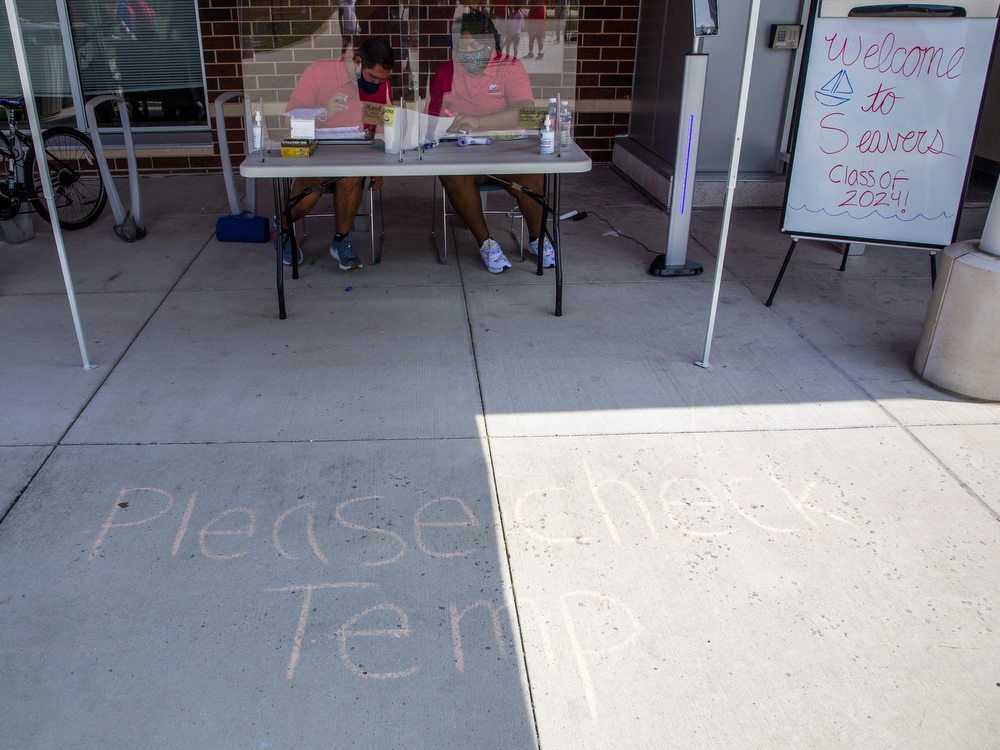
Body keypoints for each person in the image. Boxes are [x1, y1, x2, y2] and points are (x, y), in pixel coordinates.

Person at [428, 11, 554, 274]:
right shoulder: (445, 72)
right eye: (462, 47)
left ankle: (537, 239)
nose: (467, 53)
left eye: (475, 46)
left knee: (533, 176)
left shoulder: (509, 67)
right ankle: (486, 243)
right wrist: (442, 125)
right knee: (454, 176)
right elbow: (432, 119)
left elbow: (524, 111)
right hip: (463, 155)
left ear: (490, 45)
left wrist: (478, 120)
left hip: (507, 153)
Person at [280, 36, 394, 270]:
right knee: (305, 200)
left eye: (382, 79)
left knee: (351, 178)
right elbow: (290, 116)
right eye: (373, 77)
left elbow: (384, 128)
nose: (377, 83)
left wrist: (378, 166)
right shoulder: (319, 72)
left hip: (355, 158)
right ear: (358, 62)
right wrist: (323, 111)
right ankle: (281, 228)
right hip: (316, 157)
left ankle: (340, 241)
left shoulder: (381, 83)